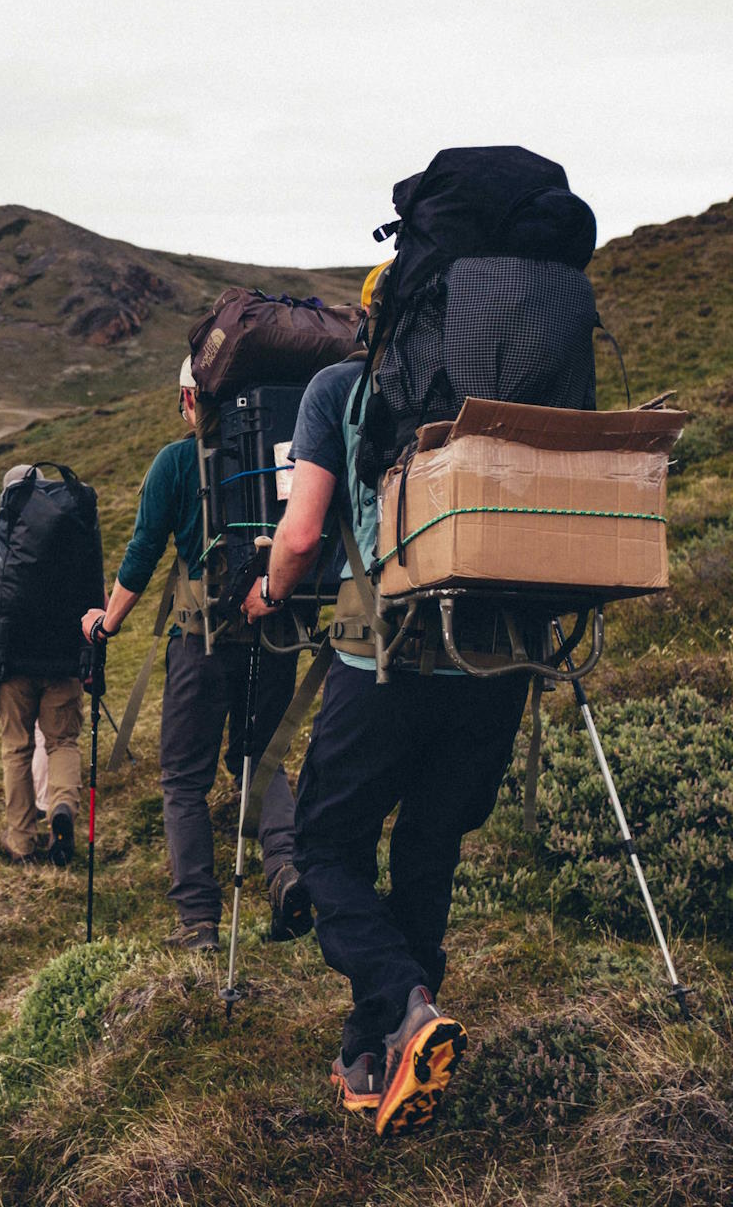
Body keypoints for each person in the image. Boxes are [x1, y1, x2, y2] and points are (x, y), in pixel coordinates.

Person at [239, 331, 530, 1135]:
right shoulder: (513, 376)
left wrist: (266, 590)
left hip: (387, 658)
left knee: (326, 848)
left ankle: (407, 1005)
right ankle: (372, 1051)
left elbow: (300, 536)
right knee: (429, 846)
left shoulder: (339, 385)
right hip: (501, 659)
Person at [80, 358, 309, 952]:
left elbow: (142, 550)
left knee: (184, 779)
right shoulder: (285, 455)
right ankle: (285, 873)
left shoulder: (177, 462)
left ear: (189, 398)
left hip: (201, 642)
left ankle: (200, 923)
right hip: (277, 629)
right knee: (261, 757)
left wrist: (108, 621)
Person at [0, 466, 84, 864]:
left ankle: (22, 843)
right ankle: (62, 808)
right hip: (65, 658)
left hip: (11, 661)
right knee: (62, 742)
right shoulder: (74, 532)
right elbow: (96, 593)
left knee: (16, 749)